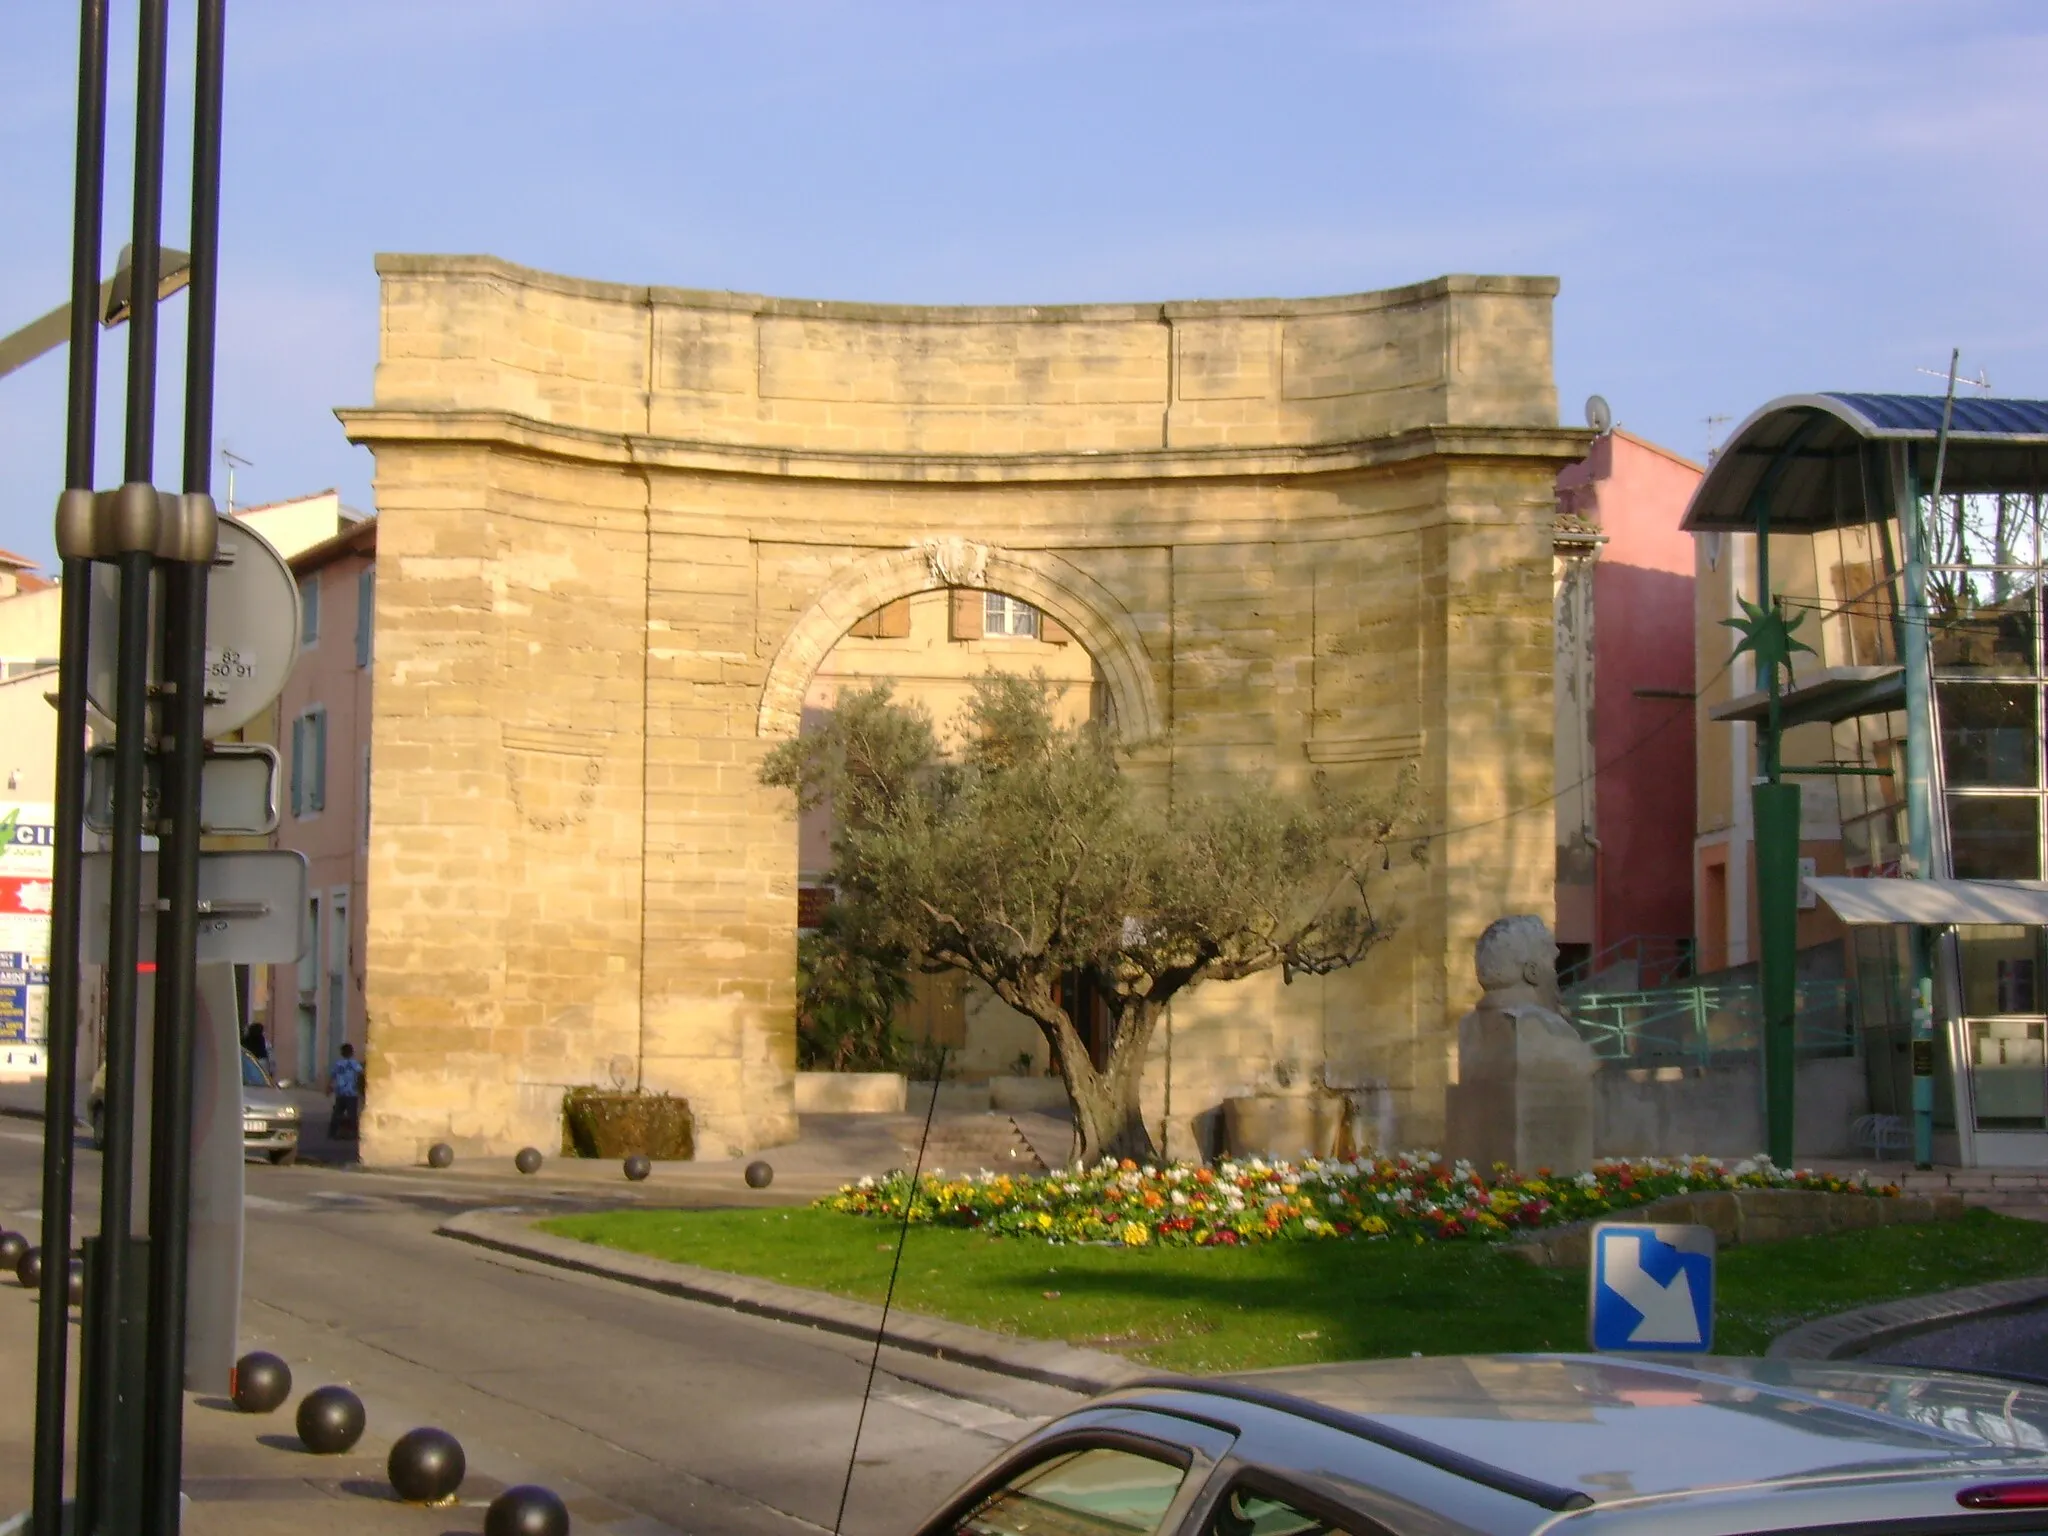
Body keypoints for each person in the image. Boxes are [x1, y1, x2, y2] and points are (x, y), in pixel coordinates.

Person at [328, 1043, 364, 1139]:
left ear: (342, 1053)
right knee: (352, 1114)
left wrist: (329, 1087)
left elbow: (332, 1076)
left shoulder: (338, 1064)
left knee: (337, 1113)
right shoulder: (354, 1063)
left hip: (340, 1092)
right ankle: (354, 1133)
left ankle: (332, 1132)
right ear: (351, 1052)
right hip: (351, 1092)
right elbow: (361, 1074)